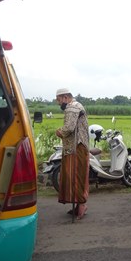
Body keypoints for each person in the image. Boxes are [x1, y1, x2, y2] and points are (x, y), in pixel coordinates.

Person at [55, 88, 90, 220]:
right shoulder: (76, 106)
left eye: (59, 100)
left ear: (65, 97)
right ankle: (79, 205)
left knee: (76, 176)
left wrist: (59, 132)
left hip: (76, 147)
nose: (59, 103)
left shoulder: (72, 107)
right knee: (75, 175)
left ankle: (81, 206)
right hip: (76, 147)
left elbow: (69, 127)